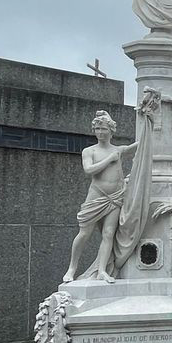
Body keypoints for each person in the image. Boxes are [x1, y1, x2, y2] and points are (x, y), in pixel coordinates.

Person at [63, 111, 139, 283]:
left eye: (103, 129)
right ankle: (72, 268)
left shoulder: (118, 150)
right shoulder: (90, 151)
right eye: (97, 129)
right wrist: (109, 160)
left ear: (111, 130)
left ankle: (102, 270)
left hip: (115, 197)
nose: (100, 132)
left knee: (108, 233)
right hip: (97, 195)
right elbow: (88, 170)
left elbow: (134, 147)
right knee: (84, 233)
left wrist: (150, 128)